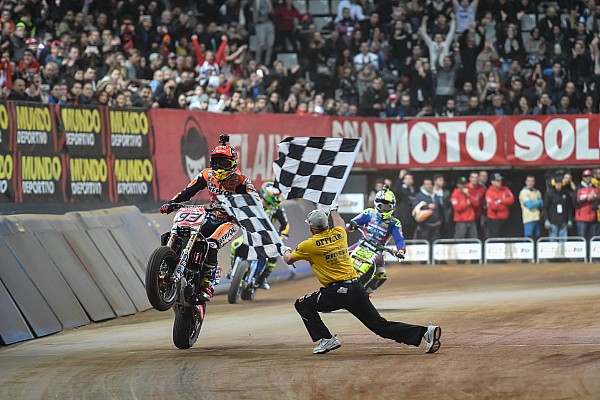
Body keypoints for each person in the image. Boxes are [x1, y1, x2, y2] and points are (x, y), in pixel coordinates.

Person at [282, 207, 441, 355]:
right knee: (380, 326)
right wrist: (333, 209)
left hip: (336, 292)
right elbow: (340, 223)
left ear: (311, 228)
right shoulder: (339, 234)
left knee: (302, 304)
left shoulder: (309, 245)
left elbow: (288, 259)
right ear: (326, 224)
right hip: (356, 288)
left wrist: (284, 249)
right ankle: (425, 332)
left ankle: (327, 339)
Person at [160, 135, 259, 301]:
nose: (220, 167)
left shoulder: (241, 181)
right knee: (177, 233)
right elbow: (188, 191)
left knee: (211, 245)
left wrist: (247, 211)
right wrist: (171, 203)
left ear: (233, 164)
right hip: (210, 214)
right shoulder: (207, 174)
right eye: (217, 163)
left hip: (230, 221)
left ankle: (207, 285)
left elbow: (256, 202)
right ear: (212, 162)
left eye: (225, 163)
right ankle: (166, 268)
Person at [230, 181, 290, 290]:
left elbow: (285, 225)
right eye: (275, 196)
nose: (278, 198)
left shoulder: (278, 208)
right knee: (234, 245)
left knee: (275, 254)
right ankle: (233, 270)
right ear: (267, 195)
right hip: (251, 234)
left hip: (267, 238)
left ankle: (262, 279)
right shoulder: (254, 203)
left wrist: (281, 235)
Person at [346, 187, 405, 293]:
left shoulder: (394, 223)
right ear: (376, 204)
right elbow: (352, 223)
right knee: (340, 257)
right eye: (381, 206)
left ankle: (366, 293)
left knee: (381, 275)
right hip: (361, 244)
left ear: (392, 207)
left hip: (377, 251)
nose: (384, 209)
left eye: (387, 206)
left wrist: (400, 251)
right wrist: (351, 226)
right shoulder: (368, 213)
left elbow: (399, 239)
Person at [485, 173, 515, 238]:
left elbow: (511, 199)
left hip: (505, 218)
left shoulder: (505, 189)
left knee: (505, 238)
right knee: (495, 239)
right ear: (492, 182)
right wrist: (505, 205)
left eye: (500, 180)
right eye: (497, 181)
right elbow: (493, 207)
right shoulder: (489, 192)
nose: (500, 182)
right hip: (494, 220)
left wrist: (500, 201)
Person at [413, 177, 443, 244]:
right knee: (424, 244)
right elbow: (415, 208)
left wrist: (440, 220)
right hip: (425, 225)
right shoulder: (419, 196)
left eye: (429, 184)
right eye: (426, 184)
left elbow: (441, 209)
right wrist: (427, 206)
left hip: (436, 225)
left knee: (435, 244)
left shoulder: (436, 196)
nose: (428, 186)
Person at [573, 169, 600, 241]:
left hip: (593, 218)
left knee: (593, 240)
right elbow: (575, 203)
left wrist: (595, 199)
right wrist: (587, 198)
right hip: (581, 219)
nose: (587, 178)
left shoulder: (595, 189)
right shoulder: (578, 189)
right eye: (585, 176)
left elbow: (597, 204)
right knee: (582, 240)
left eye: (589, 176)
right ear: (582, 177)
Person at [393, 169, 417, 240]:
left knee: (411, 237)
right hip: (403, 218)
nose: (409, 180)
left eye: (410, 178)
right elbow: (396, 191)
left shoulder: (413, 190)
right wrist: (400, 178)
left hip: (412, 219)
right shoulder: (401, 189)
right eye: (407, 178)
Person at [518, 175, 543, 240]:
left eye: (532, 181)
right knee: (528, 237)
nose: (530, 183)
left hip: (537, 217)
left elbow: (542, 205)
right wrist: (538, 202)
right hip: (528, 218)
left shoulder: (537, 192)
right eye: (529, 181)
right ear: (526, 182)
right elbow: (530, 205)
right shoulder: (523, 192)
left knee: (537, 237)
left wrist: (538, 203)